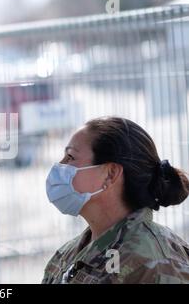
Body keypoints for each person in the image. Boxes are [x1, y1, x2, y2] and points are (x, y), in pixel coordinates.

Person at [42, 116, 189, 284]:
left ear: (110, 174)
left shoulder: (156, 265)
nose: (60, 165)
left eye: (70, 157)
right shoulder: (68, 254)